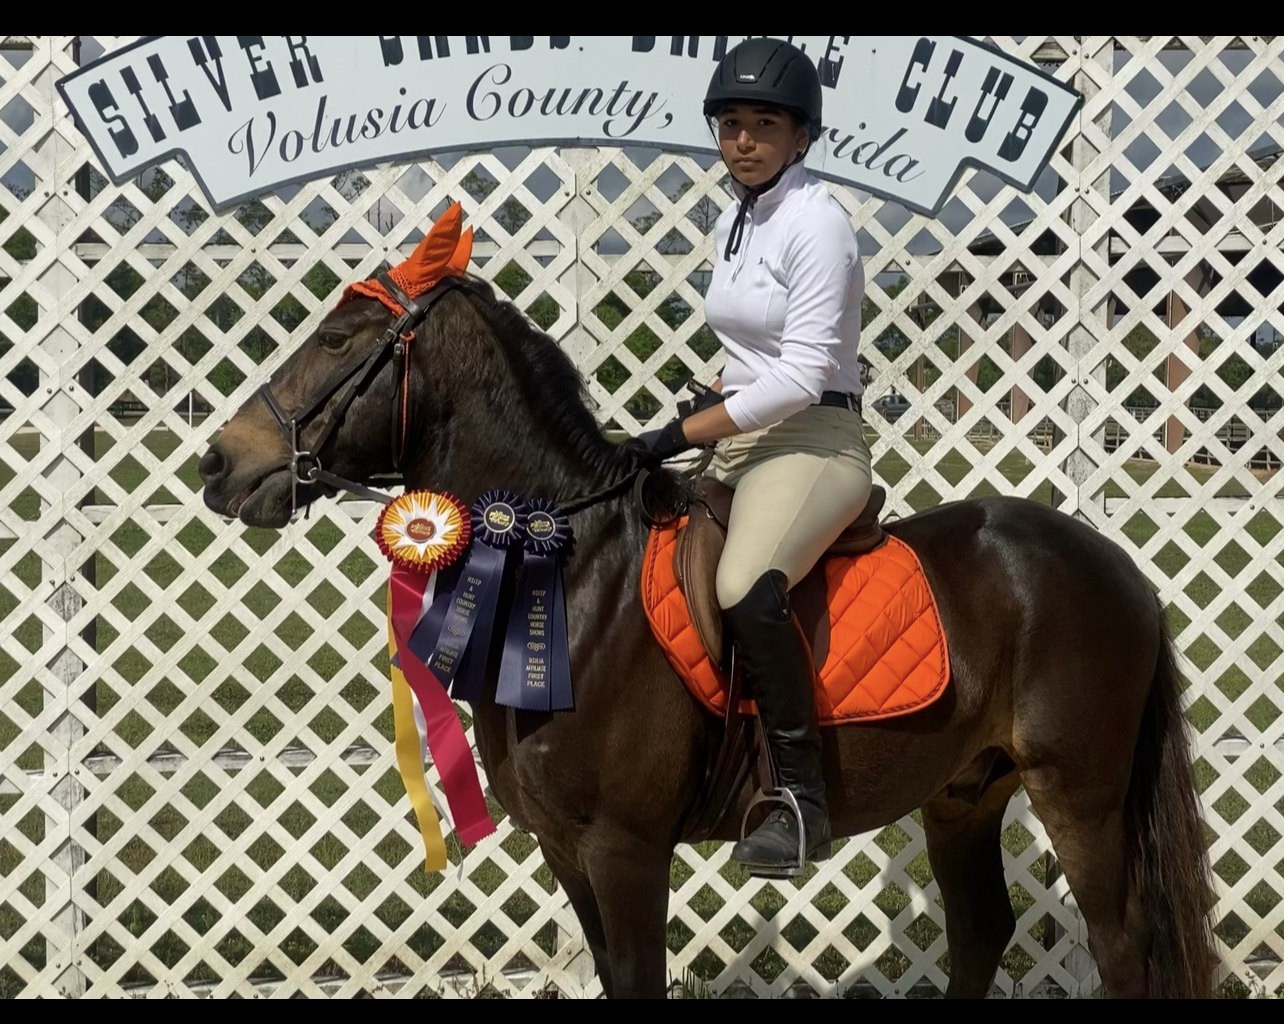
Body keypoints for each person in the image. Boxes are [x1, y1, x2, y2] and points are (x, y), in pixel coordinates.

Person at [634, 38, 872, 877]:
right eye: (731, 123)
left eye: (764, 124)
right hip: (746, 436)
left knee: (741, 583)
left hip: (817, 439)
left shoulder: (818, 223)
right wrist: (713, 393)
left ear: (802, 136)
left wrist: (681, 434)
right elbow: (755, 354)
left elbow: (803, 376)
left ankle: (802, 801)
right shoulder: (738, 217)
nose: (743, 140)